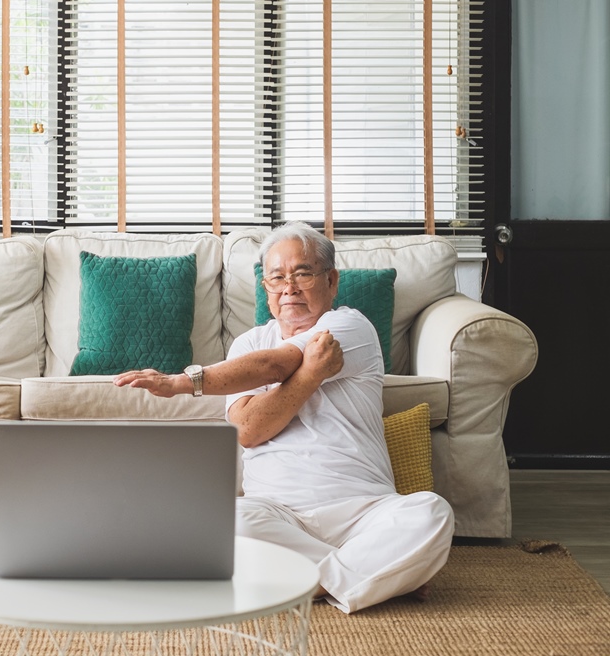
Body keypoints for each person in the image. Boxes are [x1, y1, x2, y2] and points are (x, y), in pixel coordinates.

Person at [114, 221, 454, 613]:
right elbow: (247, 429)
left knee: (431, 513)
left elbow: (278, 365)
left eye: (303, 274)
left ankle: (306, 580)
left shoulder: (350, 326)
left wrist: (181, 382)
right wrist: (312, 374)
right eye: (276, 277)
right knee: (221, 521)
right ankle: (377, 574)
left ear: (331, 281)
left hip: (364, 511)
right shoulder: (249, 345)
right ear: (266, 289)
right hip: (277, 514)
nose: (288, 287)